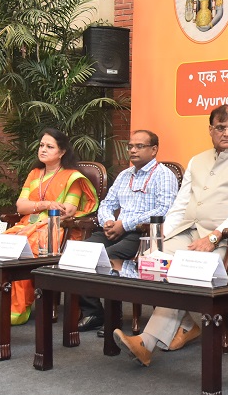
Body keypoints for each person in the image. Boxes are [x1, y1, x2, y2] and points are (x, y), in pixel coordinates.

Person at [113, 104, 228, 366]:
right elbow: (180, 205)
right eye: (221, 127)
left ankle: (146, 342)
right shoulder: (197, 160)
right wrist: (161, 238)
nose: (227, 133)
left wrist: (213, 238)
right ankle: (185, 324)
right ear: (210, 130)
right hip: (187, 231)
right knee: (152, 260)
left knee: (184, 270)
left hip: (225, 240)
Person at [0, 128, 98, 325]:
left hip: (55, 229)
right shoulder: (34, 174)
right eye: (41, 145)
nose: (43, 150)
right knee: (0, 246)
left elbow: (68, 210)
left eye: (50, 146)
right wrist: (45, 205)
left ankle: (14, 310)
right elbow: (20, 206)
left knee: (26, 246)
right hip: (25, 226)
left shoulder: (72, 177)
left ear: (62, 151)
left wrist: (43, 213)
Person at [77, 129, 179, 333]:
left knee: (107, 258)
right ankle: (94, 313)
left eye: (139, 146)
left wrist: (125, 224)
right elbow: (107, 203)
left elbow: (164, 210)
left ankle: (113, 318)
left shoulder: (164, 175)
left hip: (143, 234)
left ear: (154, 150)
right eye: (130, 146)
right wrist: (108, 221)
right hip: (115, 229)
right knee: (82, 254)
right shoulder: (125, 175)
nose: (133, 150)